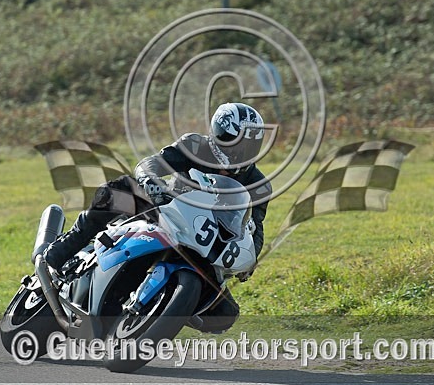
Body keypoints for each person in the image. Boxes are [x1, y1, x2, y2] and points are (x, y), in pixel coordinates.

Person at [42, 102, 272, 332]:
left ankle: (169, 305)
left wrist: (249, 260)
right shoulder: (195, 145)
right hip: (166, 207)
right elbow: (152, 164)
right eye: (235, 142)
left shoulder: (259, 186)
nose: (240, 152)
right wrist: (152, 182)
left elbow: (255, 230)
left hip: (206, 238)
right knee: (115, 192)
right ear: (219, 133)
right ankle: (66, 246)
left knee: (225, 314)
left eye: (249, 146)